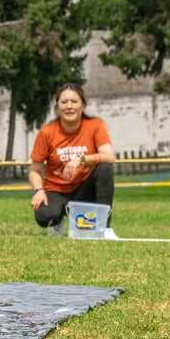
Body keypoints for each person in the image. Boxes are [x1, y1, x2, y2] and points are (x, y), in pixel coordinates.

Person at [28, 83, 117, 239]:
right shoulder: (46, 132)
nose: (69, 106)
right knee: (44, 216)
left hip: (83, 190)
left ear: (82, 105)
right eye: (64, 102)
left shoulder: (95, 125)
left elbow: (109, 156)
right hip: (56, 190)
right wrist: (38, 190)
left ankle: (104, 228)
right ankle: (57, 220)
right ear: (57, 107)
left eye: (74, 101)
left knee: (104, 169)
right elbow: (35, 170)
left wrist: (81, 159)